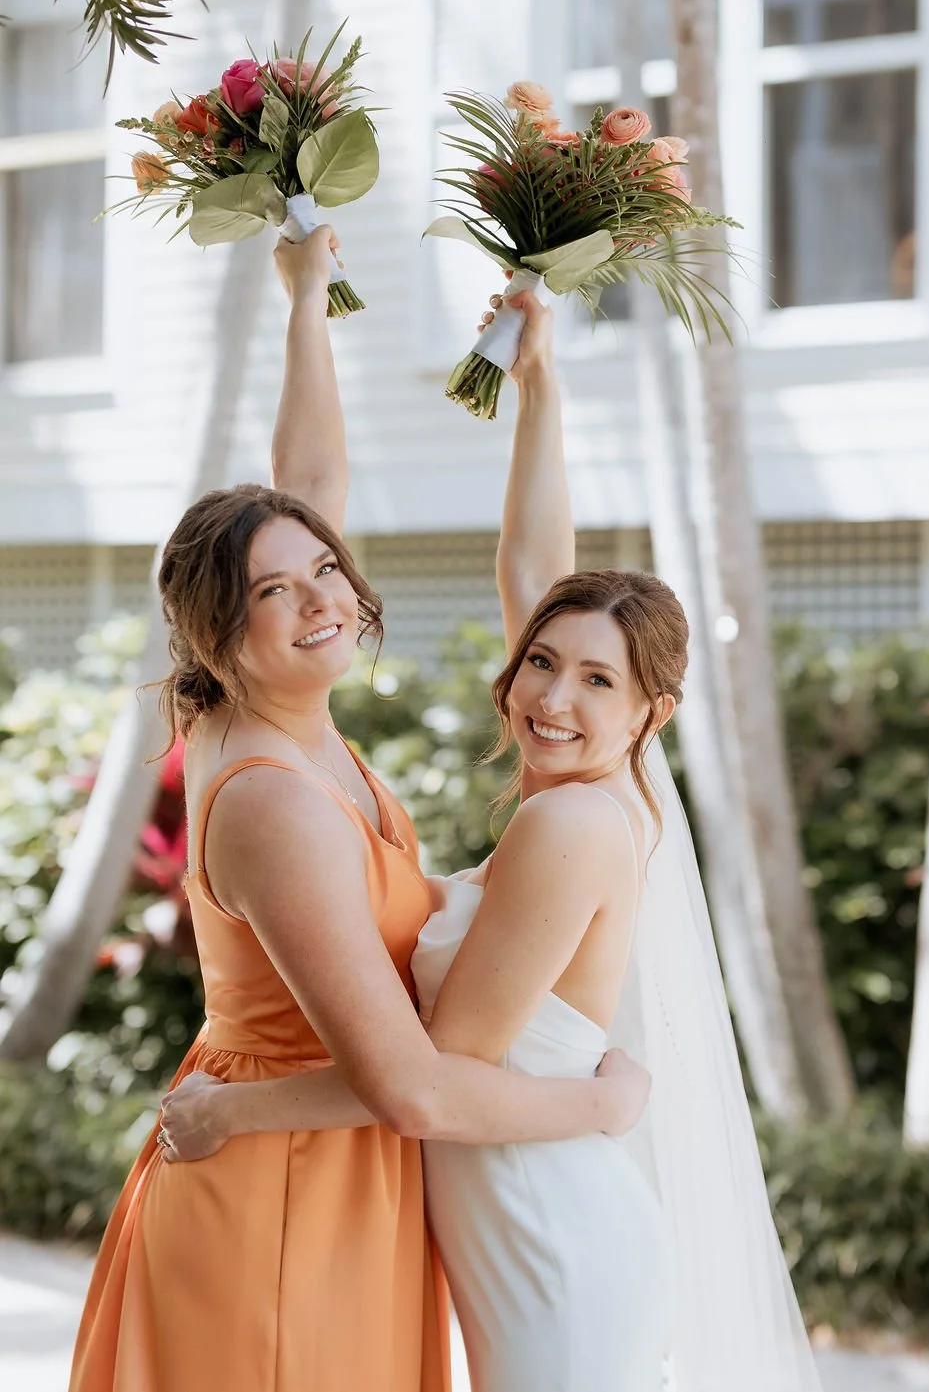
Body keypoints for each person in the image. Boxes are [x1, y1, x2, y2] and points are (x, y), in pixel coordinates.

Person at [160, 233, 824, 1392]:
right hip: (491, 1211)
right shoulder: (559, 775)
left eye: (596, 682)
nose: (554, 695)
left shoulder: (567, 824)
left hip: (543, 1225)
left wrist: (235, 1109)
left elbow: (424, 1079)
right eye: (541, 665)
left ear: (650, 715)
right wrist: (528, 381)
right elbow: (346, 511)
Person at [68, 229, 650, 1392]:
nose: (319, 599)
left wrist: (303, 299)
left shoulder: (284, 713)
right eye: (270, 594)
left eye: (323, 570)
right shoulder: (273, 797)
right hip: (281, 1189)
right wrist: (599, 1103)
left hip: (346, 1172)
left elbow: (308, 492)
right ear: (217, 637)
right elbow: (414, 1085)